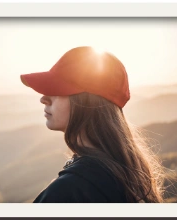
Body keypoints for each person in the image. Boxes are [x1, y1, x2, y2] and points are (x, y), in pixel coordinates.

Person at [21, 46, 166, 203]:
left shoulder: (66, 193)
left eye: (56, 89)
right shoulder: (129, 177)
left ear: (86, 101)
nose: (44, 98)